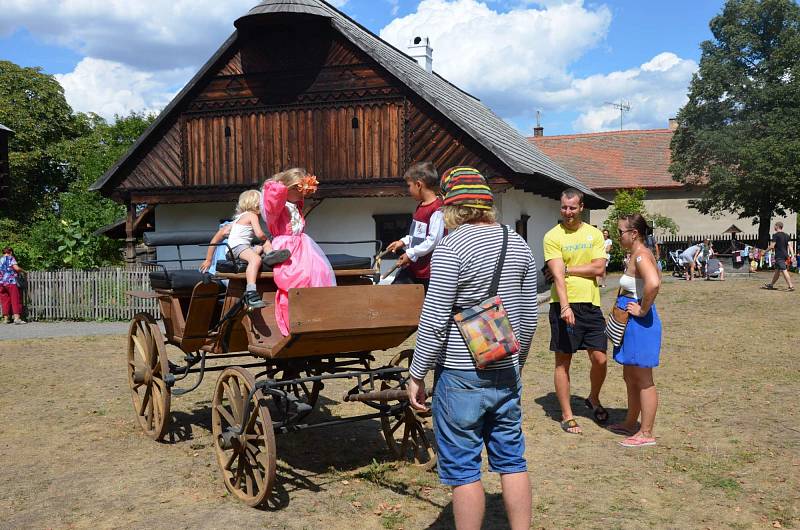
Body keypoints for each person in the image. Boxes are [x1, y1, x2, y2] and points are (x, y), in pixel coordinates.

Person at [407, 166, 537, 530]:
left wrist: (416, 375)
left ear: (451, 205)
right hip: (506, 369)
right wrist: (518, 362)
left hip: (460, 374)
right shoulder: (518, 243)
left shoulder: (452, 246)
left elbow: (434, 321)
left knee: (464, 469)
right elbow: (529, 316)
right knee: (512, 461)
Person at [543, 188, 608, 434]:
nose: (568, 212)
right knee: (563, 361)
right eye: (564, 207)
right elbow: (557, 278)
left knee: (600, 358)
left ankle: (593, 397)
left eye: (572, 207)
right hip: (563, 304)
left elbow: (599, 268)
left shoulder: (594, 234)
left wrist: (568, 269)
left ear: (582, 207)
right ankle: (567, 414)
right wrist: (565, 306)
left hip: (591, 304)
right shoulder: (552, 236)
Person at [607, 213, 662, 447]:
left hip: (640, 325)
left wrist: (641, 309)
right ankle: (631, 423)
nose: (618, 236)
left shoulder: (641, 256)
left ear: (634, 233)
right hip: (630, 325)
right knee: (630, 375)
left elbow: (654, 283)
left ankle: (646, 432)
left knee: (643, 378)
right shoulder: (635, 255)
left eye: (620, 232)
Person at [262, 168, 336, 335]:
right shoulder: (277, 208)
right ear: (289, 189)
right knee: (297, 278)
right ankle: (293, 320)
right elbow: (273, 195)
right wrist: (284, 185)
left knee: (320, 272)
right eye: (299, 190)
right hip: (286, 246)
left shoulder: (296, 205)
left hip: (303, 246)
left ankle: (315, 317)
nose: (303, 194)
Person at [199, 190, 288, 309]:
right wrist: (266, 238)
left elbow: (215, 239)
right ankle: (251, 291)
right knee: (256, 258)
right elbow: (259, 234)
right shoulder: (252, 215)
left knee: (259, 247)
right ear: (257, 205)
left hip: (235, 249)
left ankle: (270, 255)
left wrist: (208, 260)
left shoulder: (235, 221)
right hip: (238, 248)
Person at [386, 162, 445, 291]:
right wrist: (403, 242)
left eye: (409, 186)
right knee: (395, 293)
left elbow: (433, 240)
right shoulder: (421, 206)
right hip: (414, 267)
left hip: (429, 272)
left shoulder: (437, 209)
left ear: (418, 185)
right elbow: (417, 235)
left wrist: (410, 253)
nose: (408, 190)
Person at [762, 221, 795, 291]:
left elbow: (772, 246)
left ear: (777, 226)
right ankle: (771, 285)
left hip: (779, 256)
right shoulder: (787, 235)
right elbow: (790, 246)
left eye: (774, 226)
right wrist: (792, 255)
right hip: (785, 255)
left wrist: (765, 251)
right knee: (777, 271)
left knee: (784, 270)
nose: (774, 227)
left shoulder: (776, 235)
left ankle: (791, 286)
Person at [0, 246, 27, 324]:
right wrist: (24, 271)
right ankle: (17, 319)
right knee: (15, 299)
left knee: (5, 300)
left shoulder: (0, 259)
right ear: (10, 252)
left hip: (1, 283)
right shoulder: (11, 258)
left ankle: (6, 319)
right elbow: (17, 268)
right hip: (11, 282)